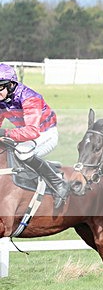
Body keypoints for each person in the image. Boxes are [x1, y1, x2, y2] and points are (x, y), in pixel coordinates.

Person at [0, 63, 70, 208]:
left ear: (11, 85)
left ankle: (59, 184)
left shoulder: (30, 98)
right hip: (27, 135)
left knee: (23, 154)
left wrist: (5, 133)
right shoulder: (3, 99)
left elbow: (32, 131)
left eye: (0, 87)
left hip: (45, 134)